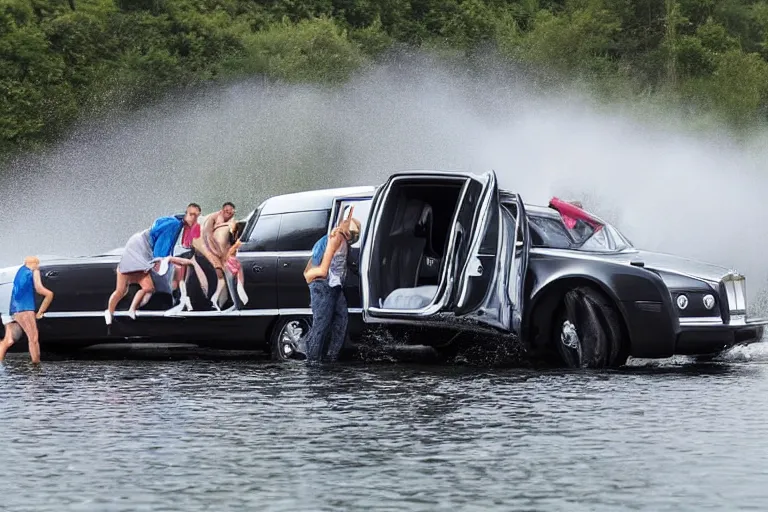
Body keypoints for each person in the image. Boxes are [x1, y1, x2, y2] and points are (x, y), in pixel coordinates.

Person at [104, 204, 199, 325]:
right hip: (141, 247)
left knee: (148, 288)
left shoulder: (178, 223)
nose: (194, 218)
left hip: (144, 253)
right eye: (192, 215)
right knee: (121, 290)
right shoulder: (174, 224)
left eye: (196, 215)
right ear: (186, 214)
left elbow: (166, 249)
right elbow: (162, 252)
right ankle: (110, 312)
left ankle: (132, 309)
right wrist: (185, 262)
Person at [299, 207, 361, 362]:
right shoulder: (335, 239)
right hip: (322, 284)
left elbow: (342, 264)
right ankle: (312, 360)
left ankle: (330, 357)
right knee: (322, 324)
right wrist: (309, 276)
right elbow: (323, 269)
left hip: (335, 286)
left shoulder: (344, 241)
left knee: (341, 321)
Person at [0, 256, 54, 363]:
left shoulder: (20, 271)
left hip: (11, 309)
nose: (38, 266)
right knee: (33, 338)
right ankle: (36, 365)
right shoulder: (33, 271)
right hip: (24, 308)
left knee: (9, 340)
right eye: (37, 264)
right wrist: (41, 311)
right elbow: (39, 288)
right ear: (34, 264)